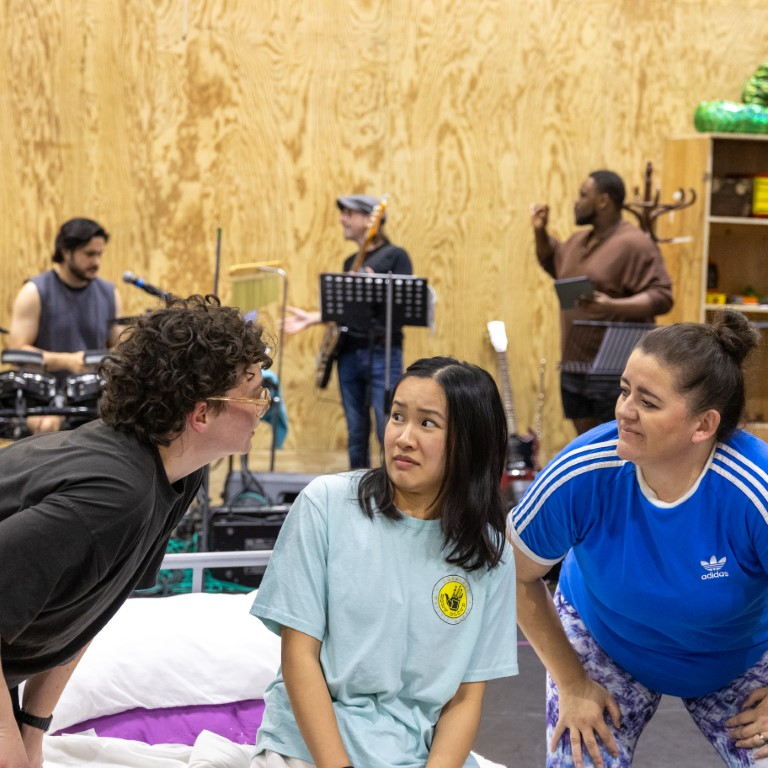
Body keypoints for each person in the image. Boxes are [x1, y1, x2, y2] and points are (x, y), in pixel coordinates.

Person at [0, 295, 272, 768]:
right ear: (201, 414)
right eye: (253, 393)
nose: (262, 407)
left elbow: (88, 613)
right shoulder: (113, 496)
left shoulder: (177, 474)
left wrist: (33, 731)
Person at [508, 309, 768, 768]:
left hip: (735, 659)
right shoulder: (583, 471)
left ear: (703, 426)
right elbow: (514, 575)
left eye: (648, 402)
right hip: (606, 643)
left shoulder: (754, 488)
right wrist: (570, 682)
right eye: (624, 390)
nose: (624, 410)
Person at [250, 356, 519, 768]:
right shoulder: (326, 504)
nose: (403, 437)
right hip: (311, 751)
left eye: (427, 423)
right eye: (397, 416)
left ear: (470, 441)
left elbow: (465, 697)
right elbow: (298, 657)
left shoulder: (489, 553)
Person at [531, 170, 674, 435]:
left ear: (603, 201)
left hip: (614, 373)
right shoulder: (578, 242)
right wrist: (540, 232)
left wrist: (612, 306)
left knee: (615, 448)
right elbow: (553, 261)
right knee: (587, 447)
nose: (576, 201)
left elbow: (662, 296)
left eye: (583, 195)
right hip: (575, 366)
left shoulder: (634, 243)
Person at [283, 194, 413, 468]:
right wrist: (313, 318)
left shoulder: (396, 257)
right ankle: (358, 490)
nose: (343, 218)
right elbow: (347, 313)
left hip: (382, 352)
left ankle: (392, 489)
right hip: (349, 354)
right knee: (356, 431)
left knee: (386, 426)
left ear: (370, 220)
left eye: (349, 213)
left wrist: (379, 287)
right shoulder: (349, 262)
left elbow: (406, 306)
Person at [7, 217, 124, 433]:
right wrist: (67, 361)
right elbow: (17, 353)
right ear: (65, 251)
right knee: (48, 425)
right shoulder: (34, 292)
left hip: (95, 392)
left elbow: (120, 350)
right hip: (46, 393)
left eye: (99, 254)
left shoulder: (110, 294)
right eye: (89, 254)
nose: (97, 262)